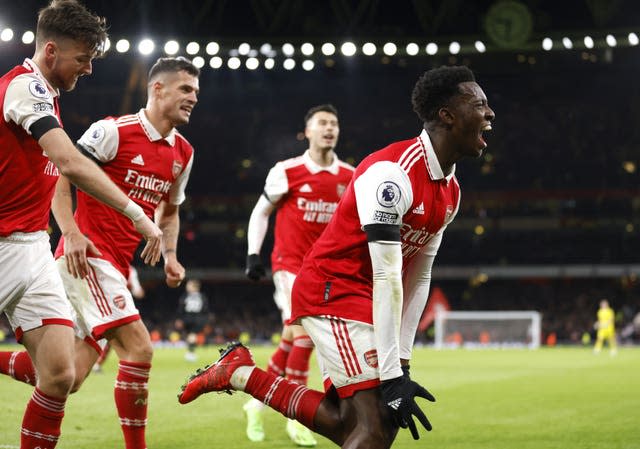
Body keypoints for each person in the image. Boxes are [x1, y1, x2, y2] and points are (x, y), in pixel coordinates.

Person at [178, 65, 495, 449]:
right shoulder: (391, 175)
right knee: (375, 429)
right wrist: (393, 374)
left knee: (360, 424)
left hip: (362, 295)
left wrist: (403, 364)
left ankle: (242, 374)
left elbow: (419, 277)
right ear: (447, 115)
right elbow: (387, 276)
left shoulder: (451, 192)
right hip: (334, 290)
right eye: (479, 105)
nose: (490, 114)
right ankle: (242, 374)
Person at [1, 55, 198, 449]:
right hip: (87, 256)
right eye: (186, 89)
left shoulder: (184, 153)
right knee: (140, 347)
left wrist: (172, 254)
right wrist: (70, 231)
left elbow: (170, 210)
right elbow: (62, 172)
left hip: (117, 267)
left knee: (66, 377)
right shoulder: (113, 131)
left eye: (196, 92)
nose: (193, 98)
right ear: (157, 89)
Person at [242, 103, 354, 446]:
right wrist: (253, 254)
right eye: (322, 123)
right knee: (306, 334)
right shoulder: (287, 171)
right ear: (307, 132)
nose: (329, 128)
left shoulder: (350, 176)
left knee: (292, 338)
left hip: (328, 273)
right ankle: (300, 417)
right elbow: (261, 213)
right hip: (290, 268)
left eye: (334, 123)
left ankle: (255, 403)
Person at [175, 278, 210, 362]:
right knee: (192, 336)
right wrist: (205, 320)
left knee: (191, 336)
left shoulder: (186, 296)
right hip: (198, 318)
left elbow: (181, 308)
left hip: (187, 317)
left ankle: (190, 353)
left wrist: (179, 318)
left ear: (194, 287)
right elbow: (205, 309)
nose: (187, 287)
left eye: (189, 285)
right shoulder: (202, 296)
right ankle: (191, 353)